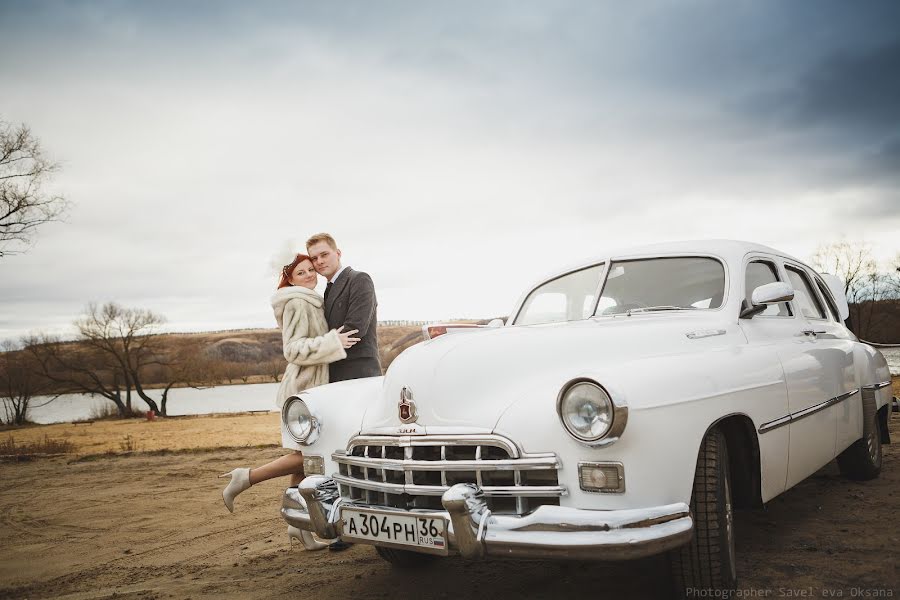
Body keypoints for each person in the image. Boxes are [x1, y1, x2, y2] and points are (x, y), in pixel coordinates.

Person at [218, 254, 359, 518]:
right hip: (305, 388)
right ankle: (246, 477)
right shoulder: (297, 302)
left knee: (303, 465)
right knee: (310, 458)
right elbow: (292, 350)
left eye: (310, 270)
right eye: (301, 273)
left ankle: (298, 525)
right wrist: (333, 342)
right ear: (289, 279)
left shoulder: (311, 300)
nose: (309, 275)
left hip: (312, 388)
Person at [306, 233, 381, 382]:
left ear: (338, 253)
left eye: (324, 254)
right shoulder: (327, 290)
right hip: (334, 374)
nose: (319, 261)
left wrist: (313, 350)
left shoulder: (359, 279)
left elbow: (355, 329)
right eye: (314, 258)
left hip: (358, 373)